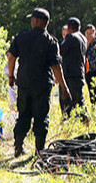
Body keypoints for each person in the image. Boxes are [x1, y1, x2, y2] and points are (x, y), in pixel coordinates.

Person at [7, 8, 70, 157]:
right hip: (42, 86)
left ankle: (18, 148)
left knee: (23, 116)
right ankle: (40, 152)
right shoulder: (51, 41)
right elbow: (56, 67)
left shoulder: (21, 37)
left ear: (36, 21)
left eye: (32, 19)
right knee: (41, 118)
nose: (31, 21)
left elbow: (11, 57)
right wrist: (64, 87)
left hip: (23, 84)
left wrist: (11, 76)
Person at [59, 17, 88, 115]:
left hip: (70, 73)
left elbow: (60, 51)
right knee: (79, 99)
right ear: (79, 27)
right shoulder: (83, 38)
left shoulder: (71, 37)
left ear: (68, 27)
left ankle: (70, 120)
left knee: (68, 100)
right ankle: (84, 120)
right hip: (79, 72)